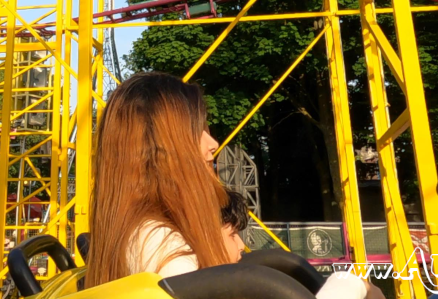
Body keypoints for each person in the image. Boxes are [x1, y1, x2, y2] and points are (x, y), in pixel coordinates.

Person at [85, 72, 383, 299]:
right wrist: (347, 285)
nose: (212, 143)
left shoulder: (137, 232)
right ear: (164, 144)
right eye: (199, 129)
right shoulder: (166, 248)